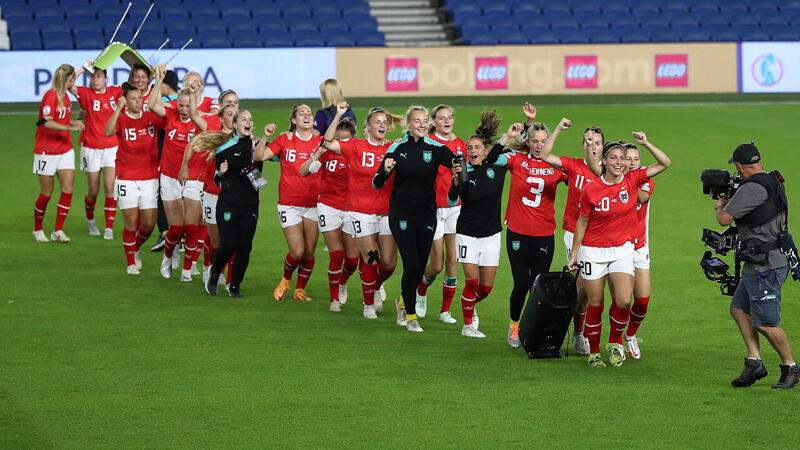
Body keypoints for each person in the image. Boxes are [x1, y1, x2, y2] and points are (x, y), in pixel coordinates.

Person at [567, 131, 671, 367]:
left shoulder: (633, 179)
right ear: (603, 161)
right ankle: (594, 351)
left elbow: (665, 163)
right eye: (613, 158)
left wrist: (646, 143)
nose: (618, 162)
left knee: (624, 301)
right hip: (594, 251)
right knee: (596, 304)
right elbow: (582, 223)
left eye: (622, 158)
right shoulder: (592, 190)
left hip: (622, 249)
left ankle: (614, 343)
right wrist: (574, 254)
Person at [715, 143, 799, 389]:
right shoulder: (772, 179)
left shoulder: (750, 189)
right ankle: (755, 363)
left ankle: (791, 367)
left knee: (765, 322)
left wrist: (721, 201)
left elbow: (723, 219)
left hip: (767, 265)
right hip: (760, 260)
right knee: (739, 308)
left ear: (740, 166)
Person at [487, 103, 567, 348]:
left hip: (544, 233)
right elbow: (490, 160)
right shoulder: (516, 160)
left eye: (543, 141)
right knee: (521, 283)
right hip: (518, 232)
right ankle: (514, 325)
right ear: (528, 141)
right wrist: (507, 137)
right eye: (535, 141)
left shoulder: (557, 166)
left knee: (538, 285)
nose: (539, 145)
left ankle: (534, 328)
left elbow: (580, 183)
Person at [373, 105, 455, 332]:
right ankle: (410, 316)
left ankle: (402, 301)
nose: (421, 124)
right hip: (402, 212)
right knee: (411, 264)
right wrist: (384, 171)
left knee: (420, 267)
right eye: (416, 120)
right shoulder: (397, 148)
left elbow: (457, 164)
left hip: (427, 213)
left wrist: (460, 167)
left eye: (424, 120)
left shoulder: (437, 148)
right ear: (408, 124)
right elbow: (376, 183)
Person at [322, 104, 403, 319]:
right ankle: (368, 305)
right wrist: (339, 114)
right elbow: (328, 142)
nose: (382, 125)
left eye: (385, 122)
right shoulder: (356, 146)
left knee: (389, 262)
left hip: (387, 211)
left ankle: (375, 286)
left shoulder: (396, 147)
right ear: (367, 126)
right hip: (361, 211)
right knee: (371, 259)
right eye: (377, 122)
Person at [448, 111, 519, 338]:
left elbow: (522, 148)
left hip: (491, 234)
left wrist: (518, 129)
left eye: (477, 147)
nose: (472, 151)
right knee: (472, 283)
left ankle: (468, 305)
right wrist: (456, 180)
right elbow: (451, 198)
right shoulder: (463, 171)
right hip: (467, 233)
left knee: (485, 288)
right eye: (469, 148)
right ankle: (468, 325)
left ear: (485, 151)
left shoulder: (496, 166)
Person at [538, 121, 603, 355]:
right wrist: (557, 130)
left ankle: (612, 336)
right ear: (582, 145)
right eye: (587, 141)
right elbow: (545, 154)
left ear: (603, 146)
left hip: (602, 236)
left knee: (596, 288)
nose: (592, 145)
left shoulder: (608, 172)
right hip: (574, 233)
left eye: (596, 142)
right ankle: (578, 332)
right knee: (582, 287)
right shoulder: (573, 166)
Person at [197, 113, 277, 297]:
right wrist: (221, 172)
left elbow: (279, 157)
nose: (248, 122)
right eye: (243, 119)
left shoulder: (257, 145)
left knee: (245, 247)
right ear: (234, 125)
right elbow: (218, 181)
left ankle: (235, 286)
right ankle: (215, 273)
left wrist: (268, 137)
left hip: (250, 205)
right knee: (228, 245)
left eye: (250, 119)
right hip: (228, 204)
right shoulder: (224, 148)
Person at [257, 104, 323, 302]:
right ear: (294, 120)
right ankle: (286, 279)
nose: (306, 115)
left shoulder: (321, 142)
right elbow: (259, 156)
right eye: (301, 113)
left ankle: (300, 290)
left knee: (310, 251)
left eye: (309, 113)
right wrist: (266, 136)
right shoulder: (285, 139)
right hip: (289, 203)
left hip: (313, 203)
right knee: (297, 251)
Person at [103, 82, 166, 274]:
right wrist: (118, 109)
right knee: (130, 223)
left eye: (139, 98)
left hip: (149, 177)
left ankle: (135, 246)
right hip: (126, 177)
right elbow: (107, 132)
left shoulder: (150, 118)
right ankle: (131, 261)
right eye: (133, 99)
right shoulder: (121, 119)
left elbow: (167, 120)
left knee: (148, 223)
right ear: (126, 101)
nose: (138, 102)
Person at [299, 118, 361, 312]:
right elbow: (303, 172)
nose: (340, 146)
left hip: (351, 208)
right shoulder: (326, 152)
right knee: (337, 255)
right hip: (328, 206)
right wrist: (315, 158)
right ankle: (334, 299)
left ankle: (342, 282)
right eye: (338, 140)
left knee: (352, 259)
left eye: (346, 141)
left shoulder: (358, 153)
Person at [148, 66, 203, 282]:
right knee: (176, 228)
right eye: (180, 105)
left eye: (187, 105)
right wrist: (159, 80)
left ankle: (187, 270)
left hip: (193, 176)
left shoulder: (201, 121)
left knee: (191, 226)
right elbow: (152, 105)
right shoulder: (170, 114)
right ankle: (168, 254)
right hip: (169, 175)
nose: (183, 109)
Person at [414, 104, 466, 323]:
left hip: (455, 208)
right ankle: (420, 290)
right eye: (441, 118)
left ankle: (445, 311)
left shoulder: (460, 144)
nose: (446, 121)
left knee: (453, 260)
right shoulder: (427, 144)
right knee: (436, 264)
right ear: (433, 122)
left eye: (450, 117)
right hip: (433, 209)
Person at [181, 95, 239, 285]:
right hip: (212, 192)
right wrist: (185, 165)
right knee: (215, 240)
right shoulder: (211, 133)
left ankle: (231, 281)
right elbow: (193, 142)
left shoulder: (245, 137)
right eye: (230, 112)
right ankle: (210, 266)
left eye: (236, 108)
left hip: (234, 195)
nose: (234, 113)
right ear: (221, 117)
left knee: (233, 238)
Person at [32, 63, 84, 243]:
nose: (75, 81)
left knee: (68, 189)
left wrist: (85, 68)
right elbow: (46, 122)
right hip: (46, 151)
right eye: (73, 79)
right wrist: (70, 127)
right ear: (67, 80)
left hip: (65, 149)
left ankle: (58, 230)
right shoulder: (51, 97)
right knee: (46, 193)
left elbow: (71, 76)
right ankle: (37, 229)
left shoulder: (65, 94)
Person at [70, 64, 122, 240]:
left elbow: (138, 87)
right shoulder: (86, 94)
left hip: (112, 146)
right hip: (91, 147)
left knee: (110, 187)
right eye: (92, 77)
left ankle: (109, 227)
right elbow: (68, 84)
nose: (95, 79)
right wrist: (83, 69)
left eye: (98, 76)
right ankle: (90, 219)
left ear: (106, 78)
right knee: (93, 190)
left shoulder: (115, 92)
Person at [619, 141, 654, 359]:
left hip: (640, 246)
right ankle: (615, 339)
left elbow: (642, 197)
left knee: (642, 300)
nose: (632, 163)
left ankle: (630, 335)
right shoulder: (611, 181)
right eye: (627, 158)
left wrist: (623, 183)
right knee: (621, 300)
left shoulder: (645, 181)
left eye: (636, 159)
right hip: (617, 247)